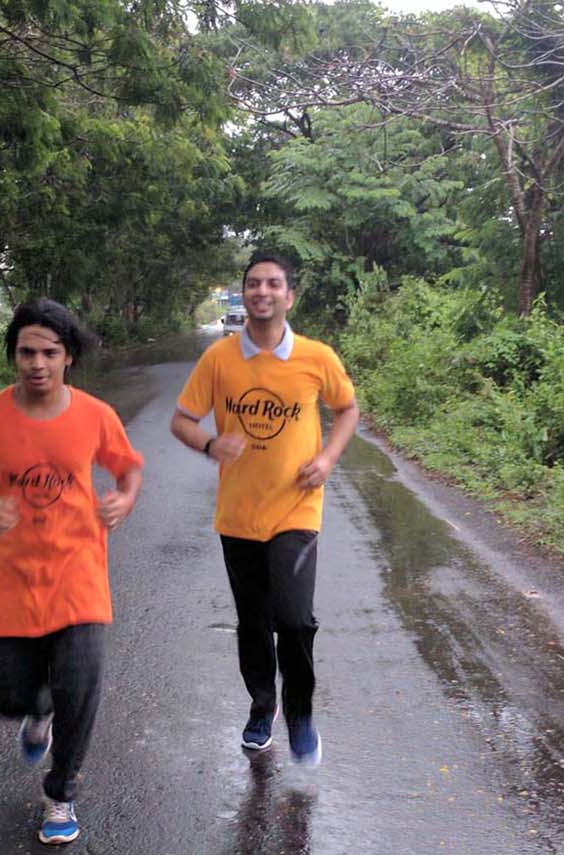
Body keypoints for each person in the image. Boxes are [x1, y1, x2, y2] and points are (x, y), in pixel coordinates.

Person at [0, 299, 143, 846]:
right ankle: (37, 710)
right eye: (27, 352)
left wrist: (124, 500)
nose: (37, 363)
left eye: (49, 353)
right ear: (14, 355)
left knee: (80, 688)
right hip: (7, 581)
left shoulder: (95, 415)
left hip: (78, 577)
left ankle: (61, 793)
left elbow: (128, 469)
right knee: (8, 695)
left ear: (68, 356)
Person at [170, 252, 359, 768]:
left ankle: (300, 712)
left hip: (297, 510)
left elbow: (347, 409)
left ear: (288, 296)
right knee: (253, 622)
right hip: (238, 515)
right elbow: (182, 420)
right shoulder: (220, 359)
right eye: (253, 283)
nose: (262, 291)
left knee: (294, 619)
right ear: (244, 293)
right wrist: (211, 445)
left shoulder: (317, 357)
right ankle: (262, 706)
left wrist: (327, 458)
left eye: (273, 284)